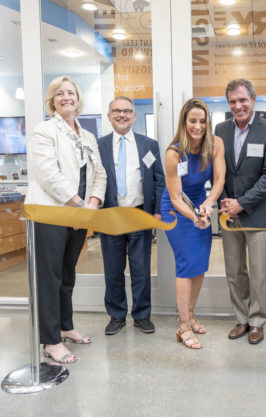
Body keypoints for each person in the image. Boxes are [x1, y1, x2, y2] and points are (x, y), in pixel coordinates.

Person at [25, 76, 107, 364]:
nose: (66, 97)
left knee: (67, 274)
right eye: (60, 93)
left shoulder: (87, 136)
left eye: (71, 92)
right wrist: (80, 204)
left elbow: (99, 175)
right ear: (52, 100)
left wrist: (93, 203)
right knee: (49, 277)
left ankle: (65, 325)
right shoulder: (44, 130)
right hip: (50, 212)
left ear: (78, 98)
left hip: (78, 213)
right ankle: (50, 341)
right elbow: (48, 174)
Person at [215, 79, 266, 345]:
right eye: (232, 101)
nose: (238, 106)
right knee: (234, 270)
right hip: (227, 214)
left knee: (258, 272)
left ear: (253, 100)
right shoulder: (220, 129)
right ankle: (241, 318)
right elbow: (215, 170)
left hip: (257, 212)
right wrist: (223, 202)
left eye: (243, 100)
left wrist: (241, 203)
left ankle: (257, 321)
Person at [97, 96, 165, 336]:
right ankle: (116, 315)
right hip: (110, 216)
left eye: (127, 111)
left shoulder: (149, 145)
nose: (122, 115)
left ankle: (141, 315)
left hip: (139, 214)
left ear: (134, 116)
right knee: (113, 269)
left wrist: (156, 211)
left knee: (140, 268)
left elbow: (159, 180)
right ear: (109, 115)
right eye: (117, 111)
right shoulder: (99, 145)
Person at [161, 98, 225, 349]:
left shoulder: (216, 143)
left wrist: (208, 204)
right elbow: (175, 196)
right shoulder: (173, 153)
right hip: (176, 210)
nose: (198, 126)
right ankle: (183, 325)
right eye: (192, 121)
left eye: (202, 121)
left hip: (200, 203)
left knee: (199, 265)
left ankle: (190, 314)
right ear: (184, 122)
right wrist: (194, 217)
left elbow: (219, 180)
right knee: (187, 265)